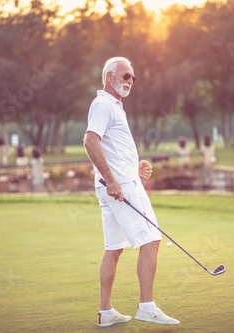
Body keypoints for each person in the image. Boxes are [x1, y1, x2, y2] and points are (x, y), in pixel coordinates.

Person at [84, 57, 180, 328]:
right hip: (119, 189)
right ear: (109, 76)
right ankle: (147, 307)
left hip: (117, 184)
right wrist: (113, 179)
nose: (130, 81)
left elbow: (111, 149)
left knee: (113, 248)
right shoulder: (103, 104)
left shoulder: (114, 107)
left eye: (133, 78)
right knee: (151, 240)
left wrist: (132, 167)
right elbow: (90, 142)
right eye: (126, 76)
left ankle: (106, 312)